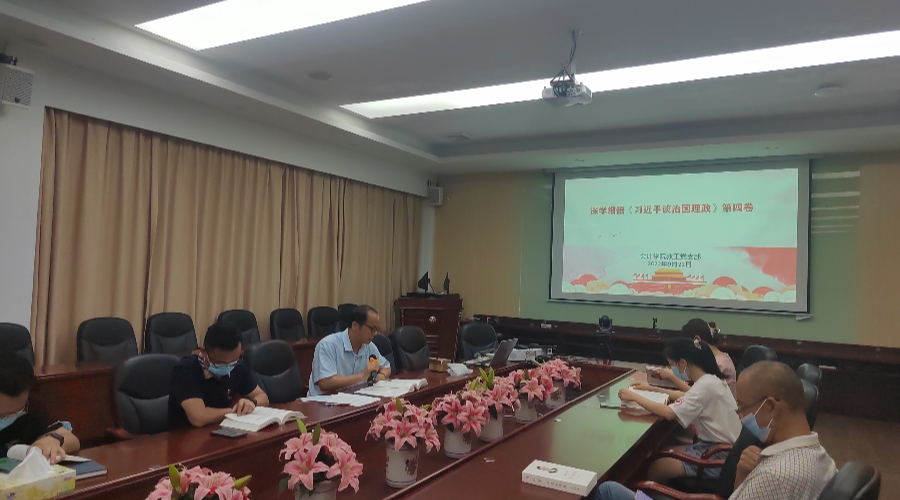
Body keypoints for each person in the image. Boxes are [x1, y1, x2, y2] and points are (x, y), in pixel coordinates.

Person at [593, 360, 835, 500]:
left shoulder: (777, 475)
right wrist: (742, 475)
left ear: (770, 406)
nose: (740, 415)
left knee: (607, 490)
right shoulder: (823, 459)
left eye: (742, 407)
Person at [620, 337, 741, 483]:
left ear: (683, 362)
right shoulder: (711, 380)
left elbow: (669, 413)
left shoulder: (706, 385)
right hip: (721, 449)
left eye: (672, 365)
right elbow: (687, 395)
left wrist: (634, 397)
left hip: (719, 455)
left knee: (656, 466)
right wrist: (651, 389)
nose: (673, 370)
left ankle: (651, 491)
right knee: (662, 453)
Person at [168, 322, 269, 428]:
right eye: (221, 363)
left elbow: (263, 397)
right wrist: (235, 410)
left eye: (233, 361)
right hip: (186, 434)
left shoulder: (236, 365)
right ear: (204, 352)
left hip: (221, 428)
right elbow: (198, 418)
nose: (228, 366)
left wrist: (251, 402)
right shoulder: (185, 370)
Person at [0, 352, 80, 464]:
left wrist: (53, 440)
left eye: (15, 413)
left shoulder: (32, 405)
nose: (6, 418)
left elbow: (72, 440)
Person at [307, 305, 391, 397]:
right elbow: (325, 382)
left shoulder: (369, 346)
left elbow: (386, 367)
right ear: (355, 325)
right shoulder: (327, 345)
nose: (375, 333)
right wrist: (361, 376)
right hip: (323, 401)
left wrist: (381, 375)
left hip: (353, 398)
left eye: (377, 329)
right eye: (372, 329)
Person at [654, 319, 737, 394]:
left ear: (697, 339)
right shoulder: (722, 356)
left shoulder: (718, 364)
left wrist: (672, 377)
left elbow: (697, 394)